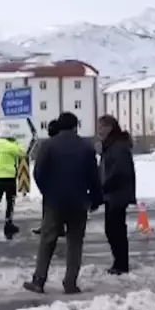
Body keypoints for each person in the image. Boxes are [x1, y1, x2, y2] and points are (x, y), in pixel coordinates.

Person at [25, 112, 102, 295]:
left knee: (47, 240)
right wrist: (95, 198)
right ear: (76, 126)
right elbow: (94, 176)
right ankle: (70, 283)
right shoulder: (86, 147)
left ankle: (39, 280)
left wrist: (48, 192)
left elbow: (39, 173)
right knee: (75, 242)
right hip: (79, 201)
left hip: (54, 202)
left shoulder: (48, 145)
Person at [97, 114, 136, 275]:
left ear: (109, 128)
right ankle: (119, 262)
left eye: (101, 127)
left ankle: (121, 264)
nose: (98, 130)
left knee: (115, 230)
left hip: (117, 193)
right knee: (114, 229)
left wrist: (104, 186)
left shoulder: (117, 146)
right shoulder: (111, 145)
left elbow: (119, 171)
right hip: (113, 193)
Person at [30, 119, 61, 236]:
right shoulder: (70, 144)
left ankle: (47, 226)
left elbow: (39, 169)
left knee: (49, 208)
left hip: (50, 184)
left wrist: (43, 186)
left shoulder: (47, 145)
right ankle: (59, 227)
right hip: (64, 183)